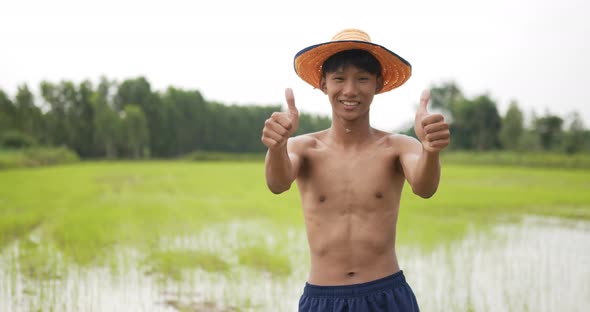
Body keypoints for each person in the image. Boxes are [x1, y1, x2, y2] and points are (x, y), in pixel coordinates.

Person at [261, 28, 450, 312]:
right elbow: (277, 183)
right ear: (324, 84)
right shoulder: (303, 148)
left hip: (386, 294)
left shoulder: (398, 147)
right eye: (339, 79)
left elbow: (425, 188)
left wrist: (431, 150)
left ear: (378, 83)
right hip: (322, 297)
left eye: (362, 79)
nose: (350, 90)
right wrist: (277, 146)